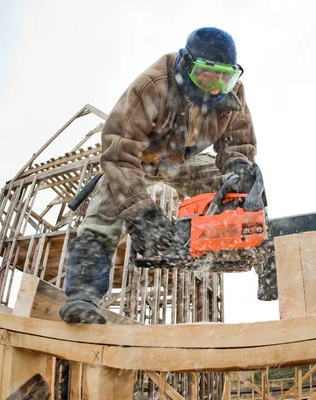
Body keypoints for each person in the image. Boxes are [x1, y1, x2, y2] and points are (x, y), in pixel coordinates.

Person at [60, 27, 264, 324]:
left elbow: (238, 144)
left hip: (182, 161)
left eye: (225, 77)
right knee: (108, 199)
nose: (216, 88)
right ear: (187, 65)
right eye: (206, 76)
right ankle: (84, 294)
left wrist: (240, 171)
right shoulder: (154, 84)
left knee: (240, 187)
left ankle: (261, 254)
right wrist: (142, 214)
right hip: (138, 158)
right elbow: (119, 153)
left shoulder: (232, 95)